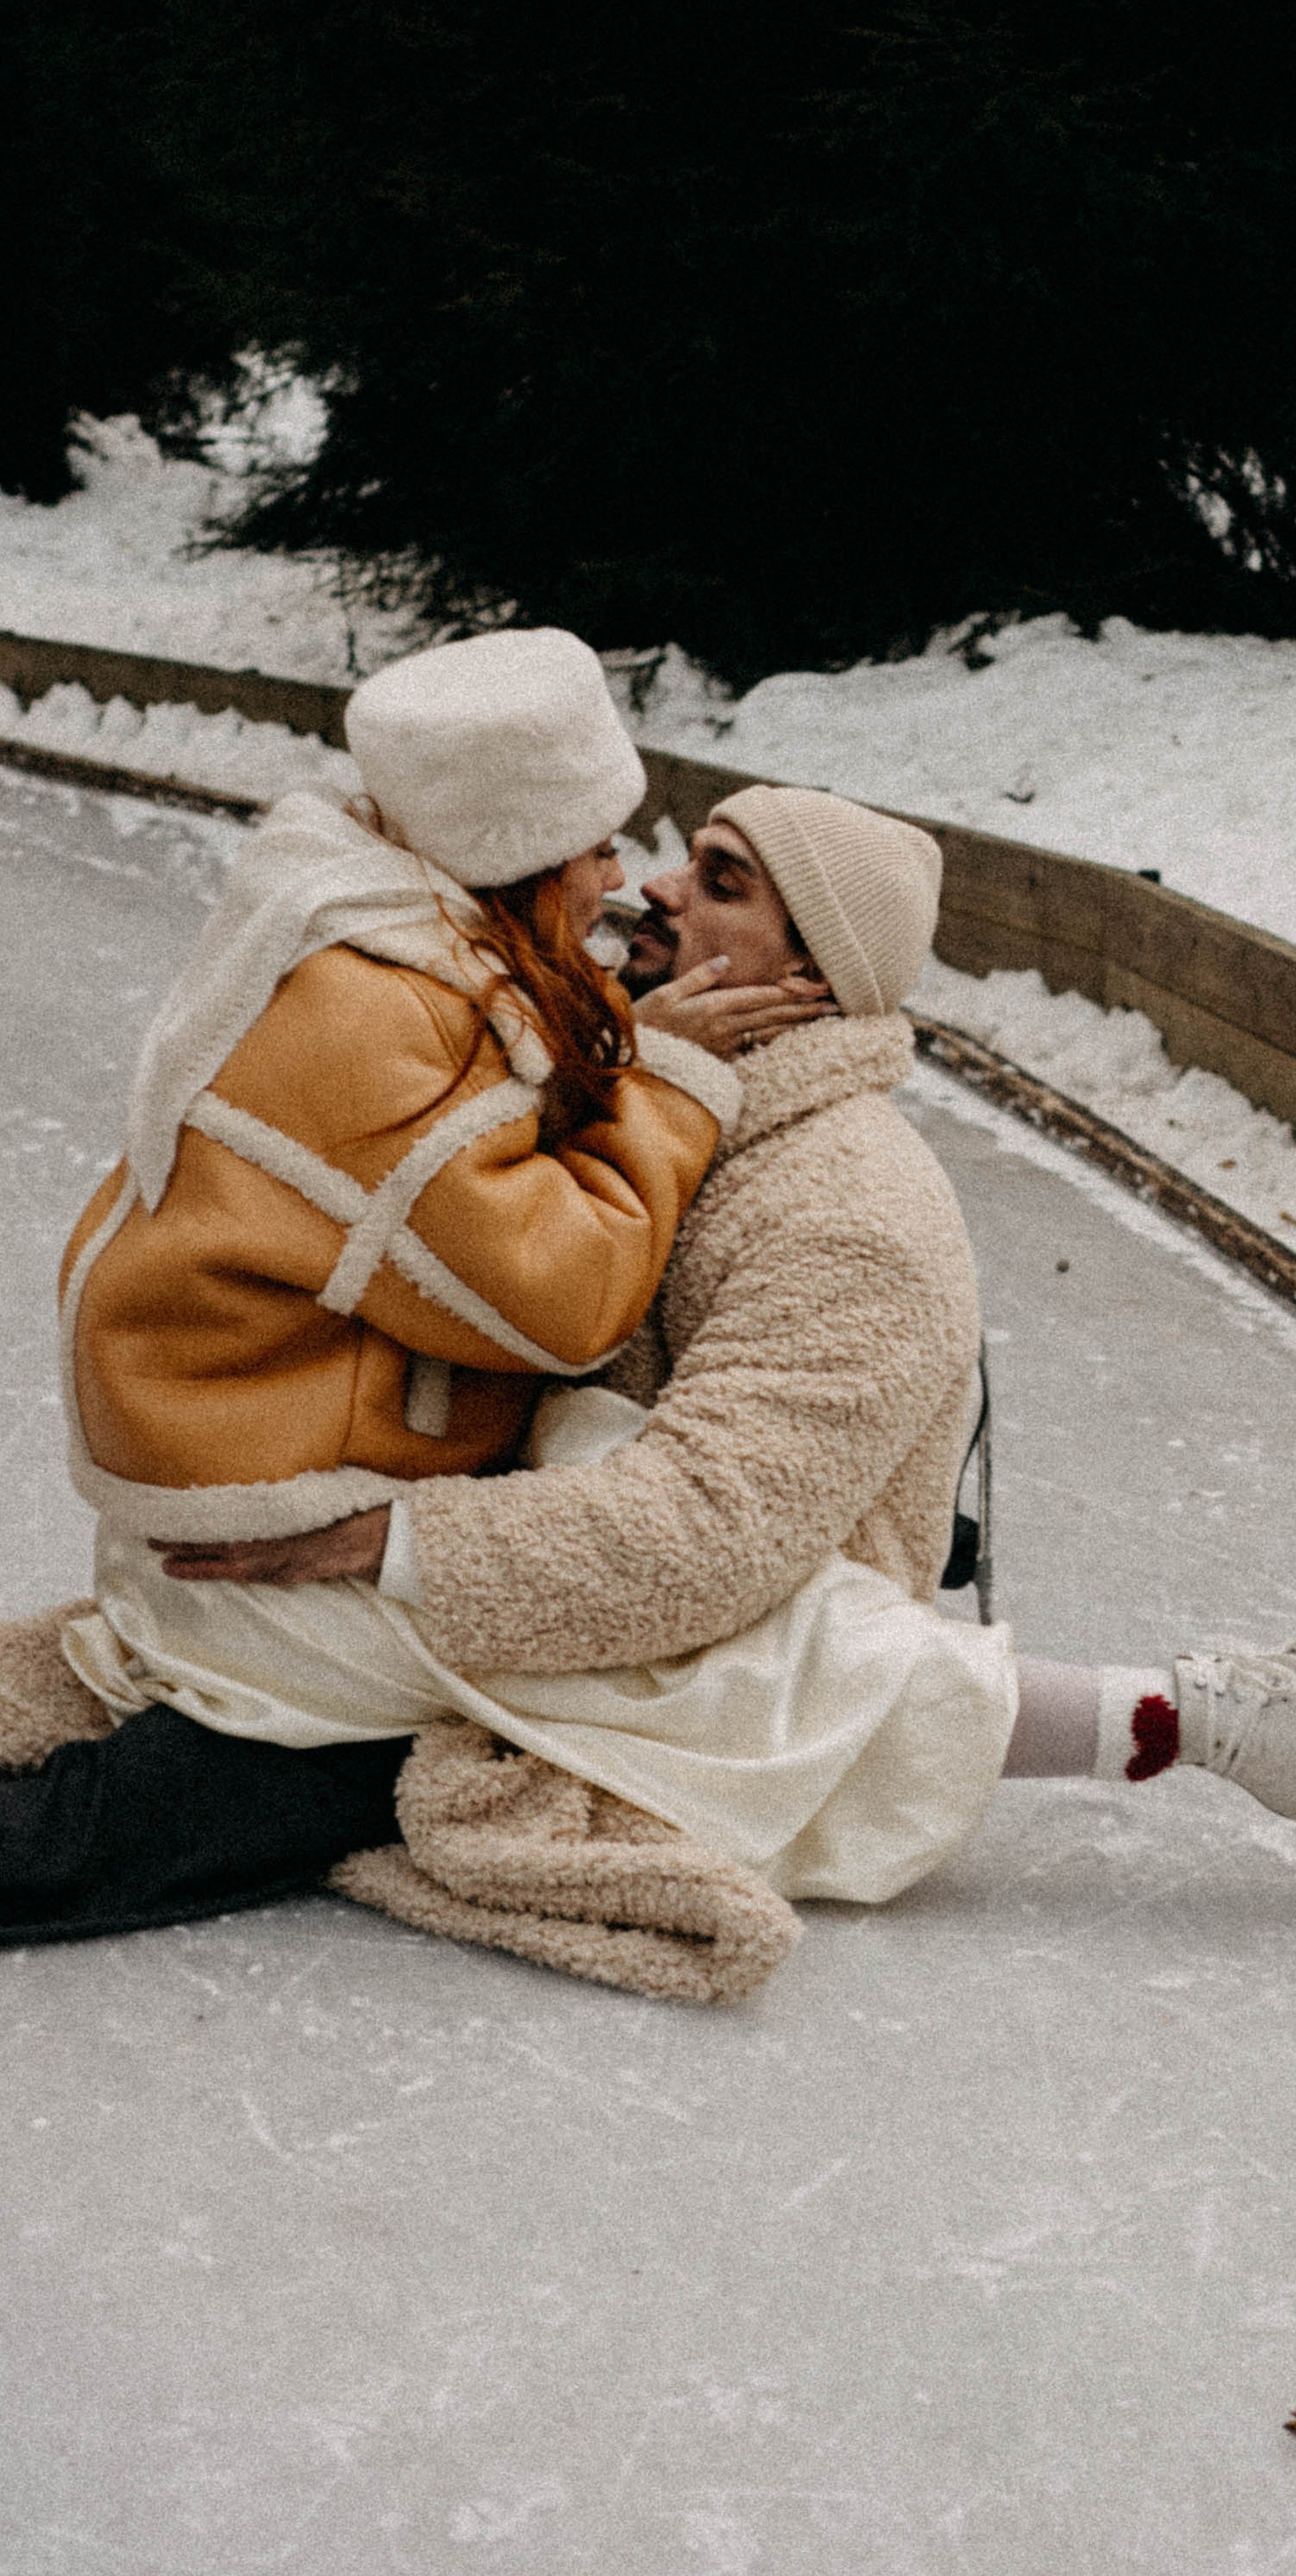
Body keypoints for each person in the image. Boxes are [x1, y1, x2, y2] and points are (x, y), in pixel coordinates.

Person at [122, 785, 1296, 1996]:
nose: (654, 886)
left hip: (721, 1615)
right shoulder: (650, 1086)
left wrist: (391, 1540)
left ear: (810, 983)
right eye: (684, 859)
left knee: (207, 1758)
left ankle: (1224, 1719)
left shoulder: (848, 1212)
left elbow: (704, 1539)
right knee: (216, 1665)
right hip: (592, 1555)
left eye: (721, 884)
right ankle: (1222, 1721)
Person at [0, 628, 768, 1931]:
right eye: (595, 846)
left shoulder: (389, 931)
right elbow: (565, 1293)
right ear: (518, 853)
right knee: (400, 1755)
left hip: (243, 1446)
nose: (619, 880)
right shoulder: (374, 1013)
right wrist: (672, 1082)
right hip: (260, 1511)